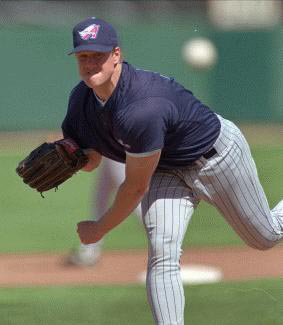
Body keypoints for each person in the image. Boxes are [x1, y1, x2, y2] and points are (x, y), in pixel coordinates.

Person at [62, 17, 283, 325]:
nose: (89, 63)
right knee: (162, 251)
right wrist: (73, 158)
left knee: (266, 237)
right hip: (166, 170)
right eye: (83, 56)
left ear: (116, 55)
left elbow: (135, 188)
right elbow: (93, 159)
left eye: (97, 55)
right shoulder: (80, 102)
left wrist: (100, 228)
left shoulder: (142, 106)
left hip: (218, 158)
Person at [65, 158, 142, 266]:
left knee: (133, 198)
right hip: (110, 154)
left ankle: (165, 242)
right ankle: (90, 250)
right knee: (100, 198)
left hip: (120, 153)